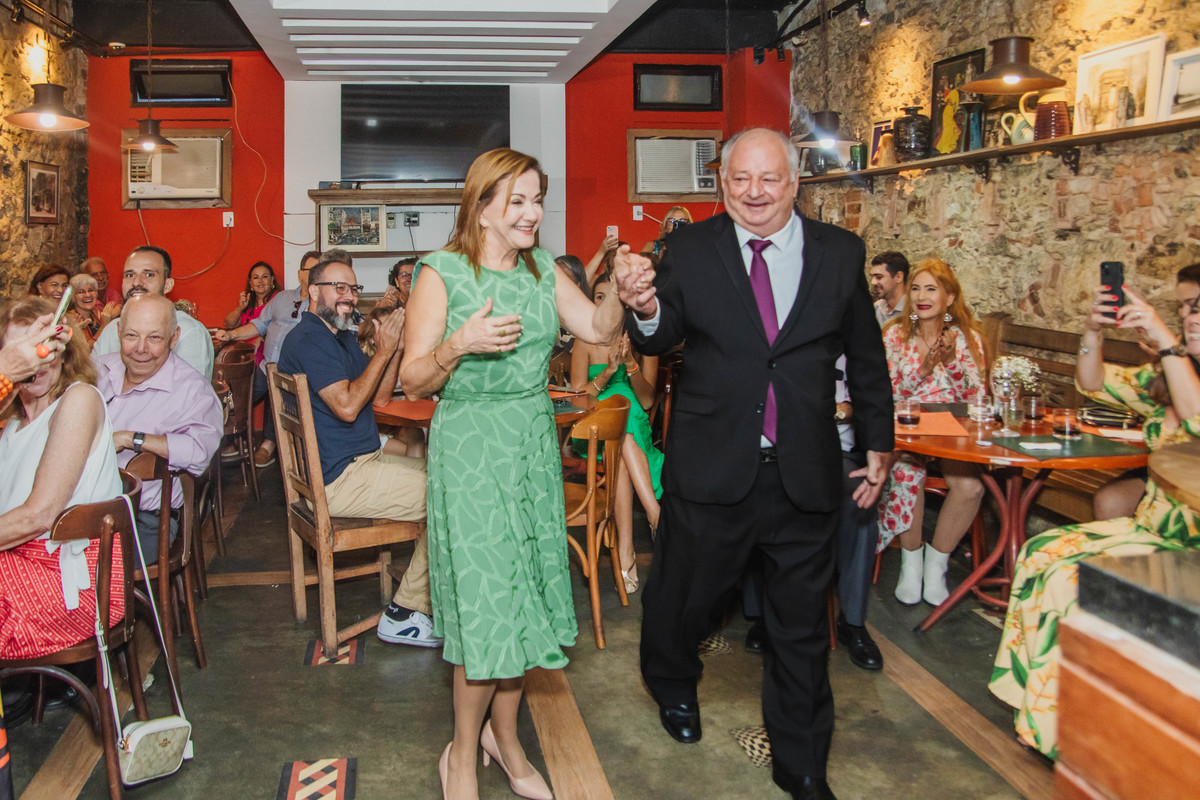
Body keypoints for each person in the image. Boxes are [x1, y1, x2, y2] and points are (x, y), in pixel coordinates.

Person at [621, 128, 893, 800]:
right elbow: (661, 329)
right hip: (713, 471)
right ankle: (673, 682)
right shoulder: (689, 248)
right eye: (741, 179)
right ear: (722, 183)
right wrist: (646, 305)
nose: (754, 193)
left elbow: (866, 356)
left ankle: (802, 765)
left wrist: (879, 440)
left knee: (800, 631)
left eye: (769, 179)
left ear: (795, 182)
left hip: (805, 474)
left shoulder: (839, 253)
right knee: (685, 601)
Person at [398, 148, 628, 800]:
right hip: (470, 450)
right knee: (484, 608)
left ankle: (508, 741)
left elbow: (598, 331)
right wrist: (457, 345)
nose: (533, 212)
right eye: (518, 201)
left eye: (537, 199)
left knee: (521, 601)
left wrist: (619, 292)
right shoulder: (439, 273)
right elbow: (413, 377)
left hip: (529, 447)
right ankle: (463, 757)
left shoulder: (541, 273)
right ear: (483, 208)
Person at [989, 270, 1200, 759]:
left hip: (1185, 543)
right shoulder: (1167, 376)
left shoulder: (1176, 368)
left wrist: (1167, 343)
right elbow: (1092, 382)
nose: (1190, 318)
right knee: (1040, 552)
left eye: (1198, 308)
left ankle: (1072, 730)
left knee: (1069, 581)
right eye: (1187, 309)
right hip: (1150, 525)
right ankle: (1040, 710)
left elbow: (1194, 421)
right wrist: (1092, 331)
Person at [276, 250, 436, 649]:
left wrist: (394, 347)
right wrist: (382, 352)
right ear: (314, 291)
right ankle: (406, 613)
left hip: (361, 462)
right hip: (338, 479)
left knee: (454, 476)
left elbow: (379, 399)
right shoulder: (308, 339)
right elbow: (348, 407)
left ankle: (433, 600)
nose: (349, 296)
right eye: (340, 287)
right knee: (451, 497)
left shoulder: (341, 336)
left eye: (354, 288)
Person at [0, 297, 124, 661]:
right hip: (18, 563)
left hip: (72, 581)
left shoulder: (78, 400)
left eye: (44, 350)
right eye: (22, 356)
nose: (34, 364)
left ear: (63, 352)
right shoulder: (15, 421)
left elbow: (39, 516)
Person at [878, 259, 987, 606]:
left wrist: (953, 361)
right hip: (907, 431)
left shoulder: (969, 337)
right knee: (907, 473)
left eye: (932, 289)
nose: (922, 297)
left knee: (970, 487)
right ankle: (911, 563)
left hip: (953, 433)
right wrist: (924, 369)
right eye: (916, 288)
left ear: (950, 297)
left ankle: (936, 564)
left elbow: (977, 398)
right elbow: (887, 392)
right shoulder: (895, 334)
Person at [94, 294, 223, 561]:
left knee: (68, 569)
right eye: (131, 335)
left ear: (174, 338)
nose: (141, 348)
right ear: (118, 332)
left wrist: (132, 439)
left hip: (143, 521)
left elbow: (200, 453)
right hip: (79, 509)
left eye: (154, 338)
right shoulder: (96, 370)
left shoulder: (192, 390)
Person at [569, 271, 662, 594]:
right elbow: (579, 400)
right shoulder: (584, 341)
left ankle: (626, 552)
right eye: (599, 296)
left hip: (630, 428)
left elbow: (649, 400)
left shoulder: (643, 340)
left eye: (614, 296)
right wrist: (609, 371)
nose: (608, 302)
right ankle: (655, 514)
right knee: (619, 425)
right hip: (592, 429)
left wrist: (631, 365)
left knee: (624, 433)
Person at [214, 250, 321, 467]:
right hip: (265, 365)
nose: (319, 275)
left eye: (322, 270)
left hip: (294, 370)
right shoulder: (281, 299)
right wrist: (231, 334)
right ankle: (225, 435)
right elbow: (258, 324)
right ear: (301, 274)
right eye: (313, 270)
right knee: (236, 394)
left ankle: (268, 444)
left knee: (279, 390)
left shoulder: (323, 304)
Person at [92, 246, 214, 380]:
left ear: (167, 285)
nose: (136, 282)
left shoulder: (188, 332)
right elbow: (89, 381)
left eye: (149, 274)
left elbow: (188, 394)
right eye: (129, 275)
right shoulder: (111, 330)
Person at [222, 260, 280, 333]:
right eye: (256, 277)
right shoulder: (249, 300)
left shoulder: (279, 299)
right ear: (251, 283)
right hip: (244, 343)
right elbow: (229, 324)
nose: (260, 281)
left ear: (271, 280)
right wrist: (240, 308)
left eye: (264, 276)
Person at [869, 251, 909, 327]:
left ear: (898, 277)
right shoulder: (876, 309)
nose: (873, 282)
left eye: (879, 277)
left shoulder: (914, 311)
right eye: (872, 277)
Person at [66, 274, 102, 345]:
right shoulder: (70, 319)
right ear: (73, 297)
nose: (88, 295)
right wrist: (104, 325)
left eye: (91, 290)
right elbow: (87, 349)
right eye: (81, 292)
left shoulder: (98, 314)